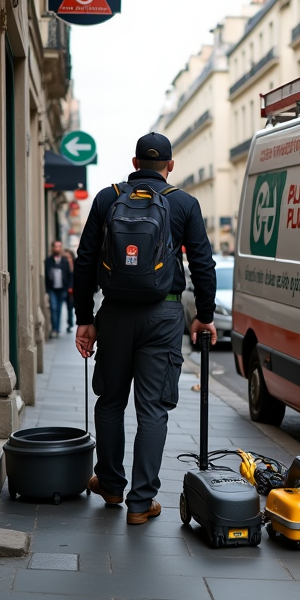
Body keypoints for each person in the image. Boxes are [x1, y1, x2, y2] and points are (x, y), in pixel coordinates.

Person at [74, 134, 217, 525]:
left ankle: (110, 484)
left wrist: (85, 318)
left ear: (135, 161)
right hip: (165, 314)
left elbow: (85, 261)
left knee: (110, 401)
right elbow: (202, 264)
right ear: (170, 166)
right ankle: (140, 503)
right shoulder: (184, 203)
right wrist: (204, 315)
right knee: (152, 409)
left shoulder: (108, 198)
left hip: (116, 314)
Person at [44, 240, 72, 339]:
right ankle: (55, 329)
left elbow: (69, 275)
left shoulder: (64, 261)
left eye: (59, 246)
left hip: (62, 289)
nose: (57, 248)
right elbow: (46, 276)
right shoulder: (48, 261)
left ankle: (56, 328)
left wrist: (68, 288)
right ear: (52, 248)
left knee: (59, 309)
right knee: (53, 308)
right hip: (52, 289)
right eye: (56, 246)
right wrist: (47, 289)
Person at [63, 247, 77, 333]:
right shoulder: (63, 266)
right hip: (67, 290)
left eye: (68, 257)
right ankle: (70, 323)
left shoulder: (76, 265)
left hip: (76, 289)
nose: (67, 259)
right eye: (65, 257)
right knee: (69, 307)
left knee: (75, 306)